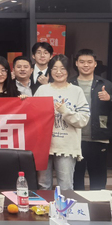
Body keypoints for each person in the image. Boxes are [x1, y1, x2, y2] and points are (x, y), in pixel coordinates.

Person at [72, 49, 112, 190]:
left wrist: (110, 99)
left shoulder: (106, 84)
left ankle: (99, 203)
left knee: (98, 179)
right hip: (74, 139)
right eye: (82, 62)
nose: (86, 65)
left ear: (95, 64)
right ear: (76, 63)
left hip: (98, 139)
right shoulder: (70, 84)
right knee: (76, 178)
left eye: (89, 62)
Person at [34, 54, 89, 190]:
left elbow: (83, 120)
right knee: (43, 185)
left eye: (62, 68)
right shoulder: (42, 90)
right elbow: (32, 115)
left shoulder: (76, 91)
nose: (58, 72)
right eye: (54, 68)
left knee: (66, 186)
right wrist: (24, 101)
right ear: (50, 70)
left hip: (66, 147)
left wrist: (65, 111)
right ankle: (45, 206)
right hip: (44, 146)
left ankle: (65, 205)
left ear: (69, 70)